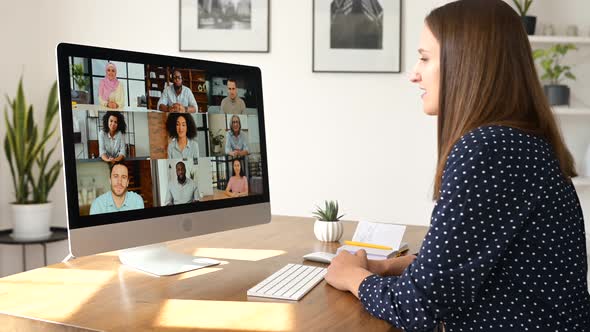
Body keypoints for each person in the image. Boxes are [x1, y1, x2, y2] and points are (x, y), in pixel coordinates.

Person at [324, 1, 590, 331]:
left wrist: (353, 277)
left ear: (466, 63)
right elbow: (480, 261)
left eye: (424, 58)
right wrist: (390, 267)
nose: (413, 74)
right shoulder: (519, 141)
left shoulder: (489, 149)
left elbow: (417, 308)